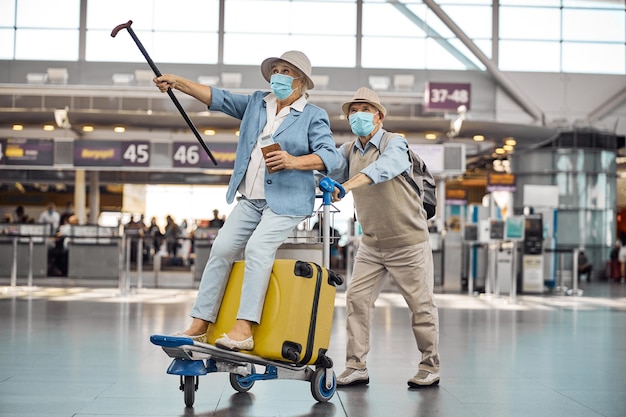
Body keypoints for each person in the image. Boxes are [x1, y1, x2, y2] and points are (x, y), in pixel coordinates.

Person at [153, 50, 339, 350]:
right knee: (222, 249)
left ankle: (245, 329)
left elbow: (330, 156)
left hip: (287, 202)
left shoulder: (313, 115)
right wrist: (177, 82)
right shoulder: (257, 102)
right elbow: (218, 98)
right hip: (250, 199)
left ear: (301, 82)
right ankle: (200, 323)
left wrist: (293, 161)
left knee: (257, 248)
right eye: (276, 69)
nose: (278, 74)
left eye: (286, 71)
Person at [328, 87, 440, 387]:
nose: (357, 115)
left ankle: (430, 365)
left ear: (378, 116)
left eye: (364, 109)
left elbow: (383, 169)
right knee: (357, 300)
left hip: (409, 243)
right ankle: (356, 366)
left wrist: (347, 185)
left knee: (421, 305)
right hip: (372, 244)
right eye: (353, 110)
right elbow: (327, 168)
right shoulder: (348, 150)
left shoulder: (395, 143)